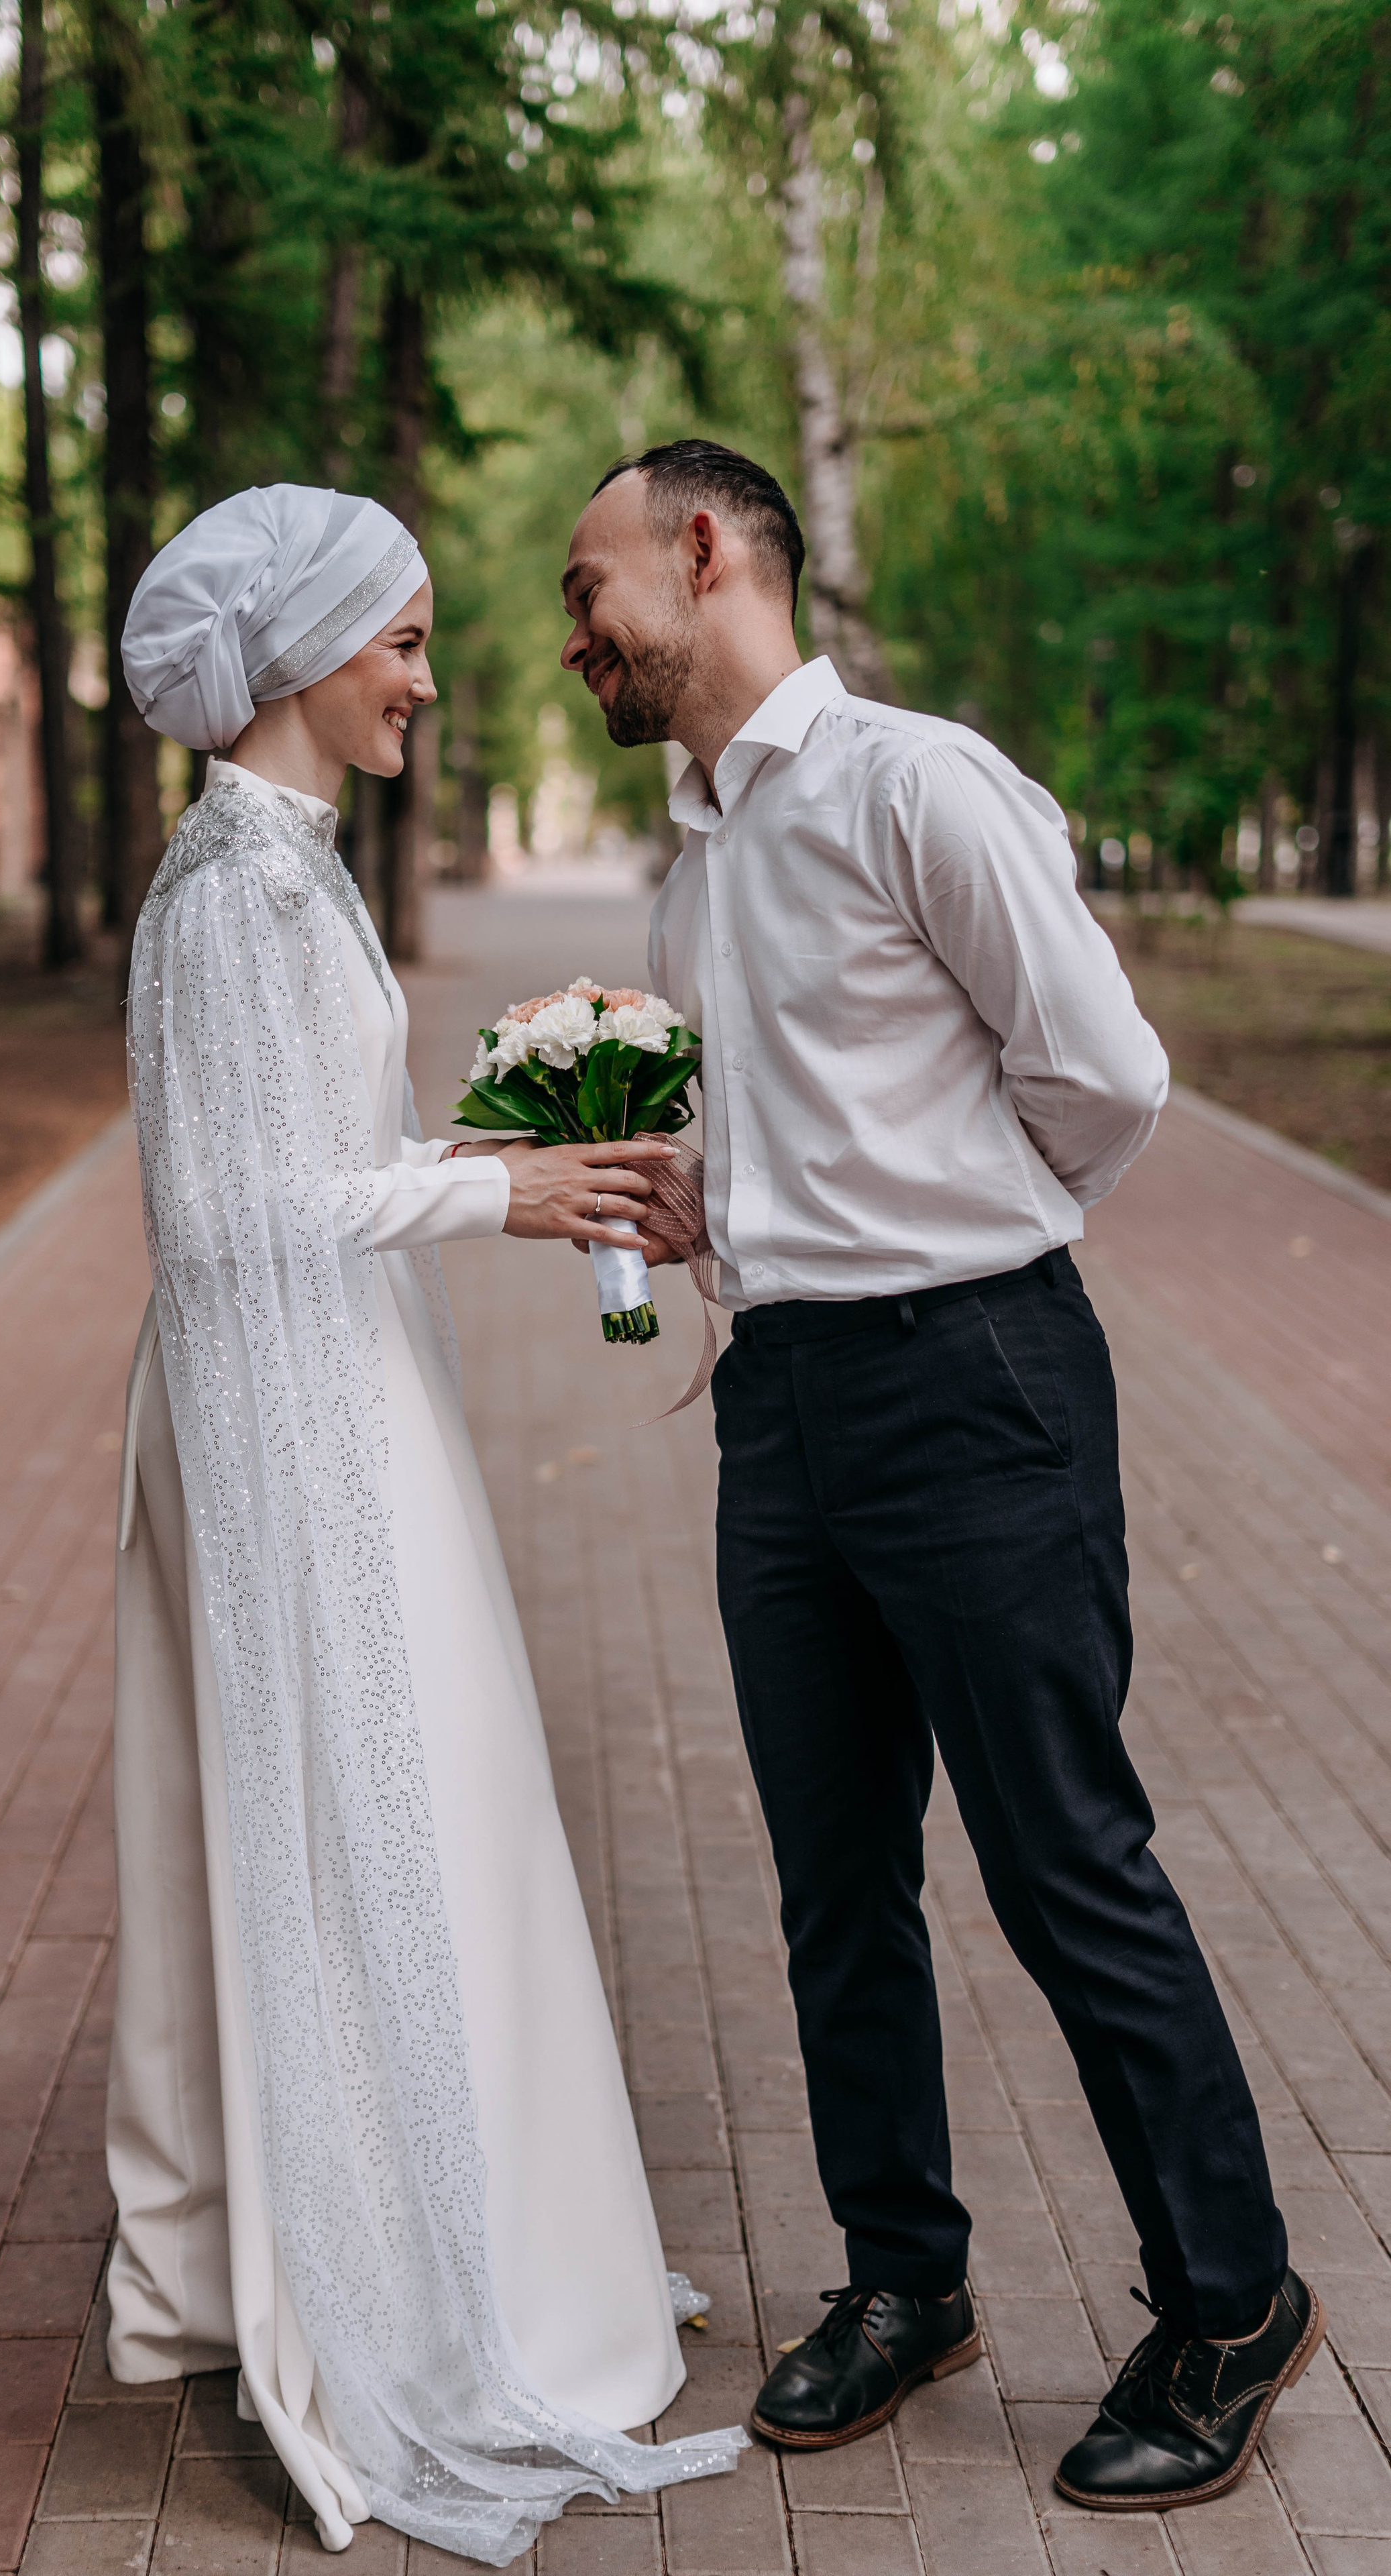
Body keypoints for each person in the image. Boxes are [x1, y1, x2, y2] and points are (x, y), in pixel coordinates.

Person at [558, 439, 1323, 2514]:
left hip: (974, 1383)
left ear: (704, 551)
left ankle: (1232, 2298)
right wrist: (713, 1211)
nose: (573, 635)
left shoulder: (914, 782)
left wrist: (958, 1251)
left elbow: (1110, 1074)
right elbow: (791, 1134)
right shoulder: (693, 860)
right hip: (782, 1410)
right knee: (833, 1886)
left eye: (590, 582)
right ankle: (908, 2279)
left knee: (1067, 1859)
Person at [103, 484, 744, 2564]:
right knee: (369, 1813)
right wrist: (502, 1196)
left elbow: (305, 1151)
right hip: (292, 1418)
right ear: (292, 657)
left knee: (445, 1804)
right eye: (398, 641)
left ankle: (486, 2226)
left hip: (351, 1389)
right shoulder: (226, 893)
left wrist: (474, 1143)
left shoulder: (290, 873)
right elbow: (214, 1219)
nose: (428, 678)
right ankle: (383, 2272)